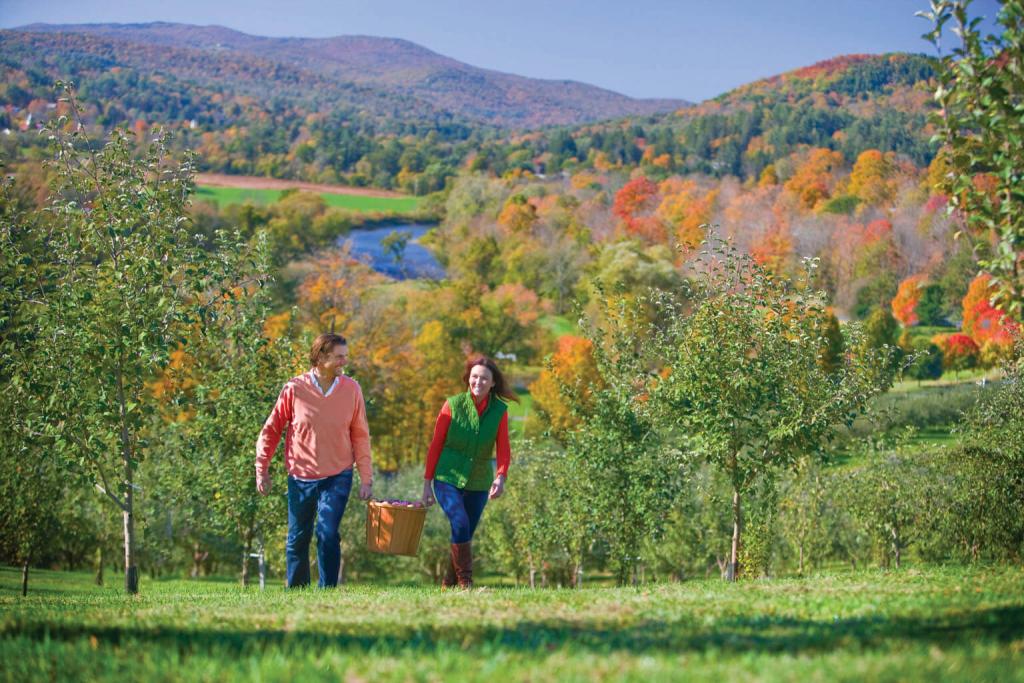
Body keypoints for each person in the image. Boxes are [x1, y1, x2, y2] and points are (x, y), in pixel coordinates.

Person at [255, 333, 373, 588]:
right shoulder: (295, 388)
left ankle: (327, 590)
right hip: (301, 475)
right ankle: (297, 590)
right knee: (298, 537)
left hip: (338, 474)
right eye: (339, 357)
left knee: (327, 533)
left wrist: (366, 477)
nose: (345, 361)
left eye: (346, 356)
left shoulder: (351, 389)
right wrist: (261, 468)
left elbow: (361, 435)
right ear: (321, 357)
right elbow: (272, 429)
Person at [421, 355, 516, 588]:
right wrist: (426, 484)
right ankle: (466, 582)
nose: (478, 382)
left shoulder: (499, 411)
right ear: (468, 379)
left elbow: (503, 447)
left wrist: (500, 476)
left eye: (484, 378)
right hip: (447, 477)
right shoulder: (452, 405)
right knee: (460, 523)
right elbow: (436, 445)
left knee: (464, 532)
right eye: (474, 377)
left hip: (479, 481)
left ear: (493, 383)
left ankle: (447, 583)